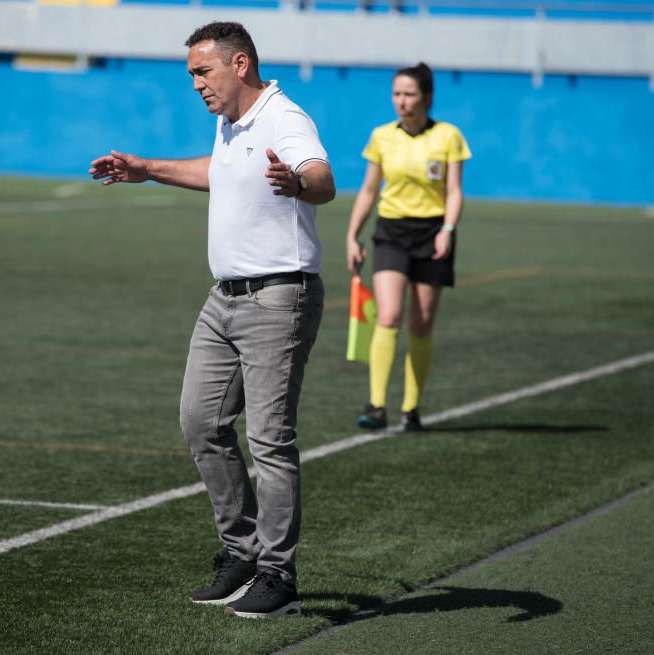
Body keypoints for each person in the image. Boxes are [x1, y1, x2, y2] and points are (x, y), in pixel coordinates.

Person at [89, 21, 334, 619]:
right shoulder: (230, 123)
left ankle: (278, 576)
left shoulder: (283, 117)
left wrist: (296, 181)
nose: (196, 84)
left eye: (203, 72)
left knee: (269, 439)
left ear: (240, 65)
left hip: (280, 297)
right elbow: (218, 171)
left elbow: (324, 180)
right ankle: (242, 552)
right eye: (192, 74)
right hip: (223, 299)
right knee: (200, 422)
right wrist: (149, 168)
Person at [345, 62, 471, 432]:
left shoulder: (448, 136)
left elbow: (454, 191)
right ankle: (377, 404)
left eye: (409, 94)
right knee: (388, 316)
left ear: (427, 97)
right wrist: (353, 235)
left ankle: (411, 409)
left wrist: (447, 229)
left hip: (433, 233)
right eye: (396, 94)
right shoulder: (382, 136)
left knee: (421, 323)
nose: (401, 101)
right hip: (391, 233)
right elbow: (369, 190)